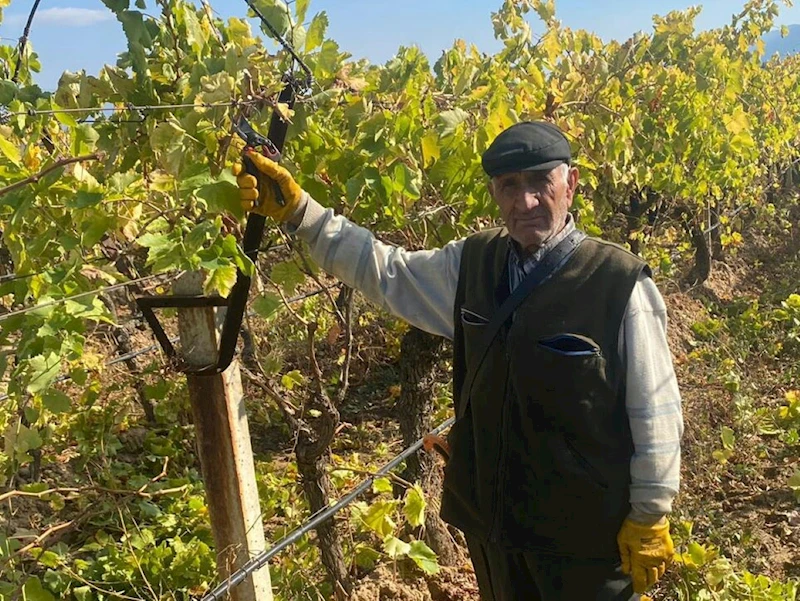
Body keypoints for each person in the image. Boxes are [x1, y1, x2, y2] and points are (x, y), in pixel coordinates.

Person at [233, 121, 684, 601]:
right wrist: (304, 214)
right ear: (495, 192)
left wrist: (650, 512)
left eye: (540, 183)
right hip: (493, 527)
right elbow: (389, 273)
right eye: (510, 186)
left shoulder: (619, 283)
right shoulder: (472, 263)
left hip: (582, 540)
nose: (525, 201)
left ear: (570, 184)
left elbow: (655, 410)